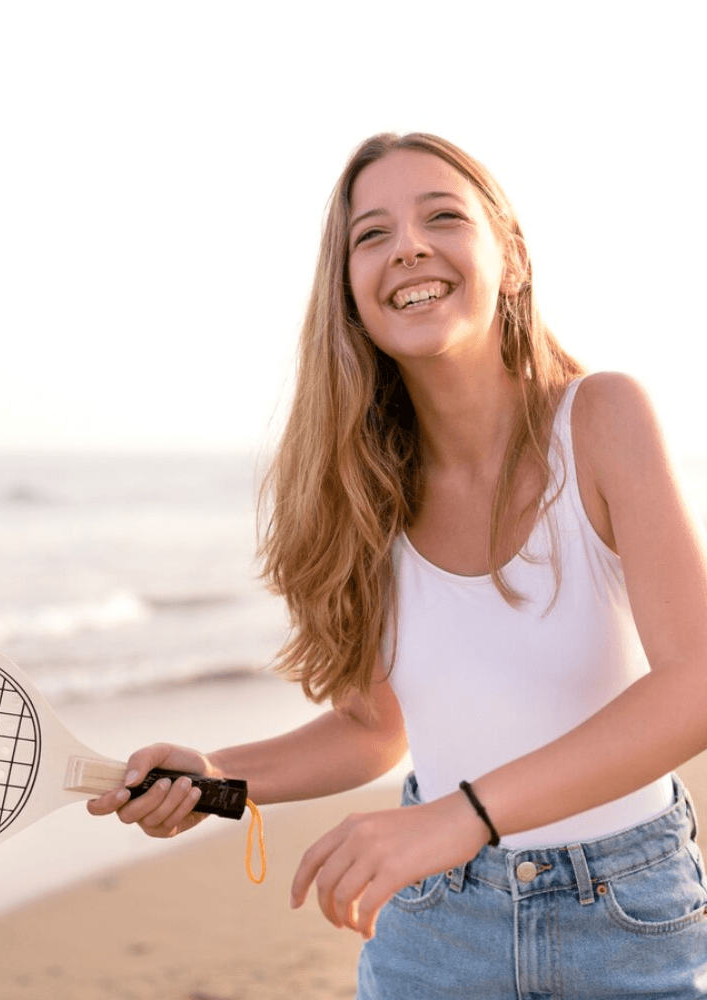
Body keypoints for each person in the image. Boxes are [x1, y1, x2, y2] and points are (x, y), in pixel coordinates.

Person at [88, 133, 707, 997]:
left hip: (628, 917)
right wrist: (218, 779)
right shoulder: (363, 488)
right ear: (349, 292)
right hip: (434, 928)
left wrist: (466, 817)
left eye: (442, 216)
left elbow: (695, 685)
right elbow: (374, 727)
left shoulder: (602, 418)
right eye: (370, 235)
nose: (408, 245)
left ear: (513, 259)